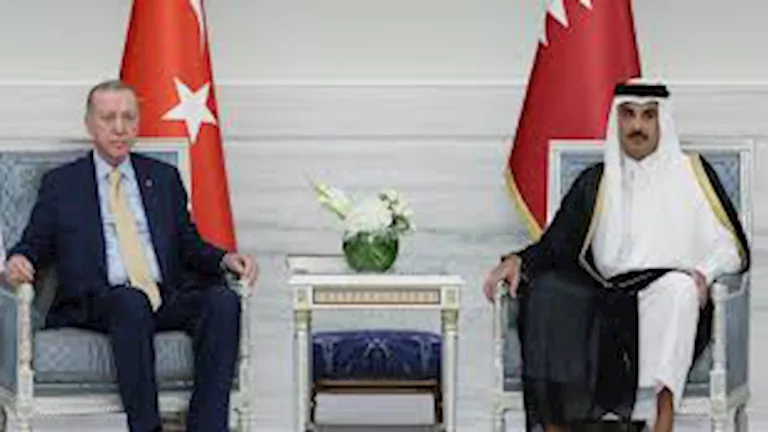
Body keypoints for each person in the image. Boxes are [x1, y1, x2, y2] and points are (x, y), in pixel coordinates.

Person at [483, 82, 750, 432]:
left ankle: (663, 415)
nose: (637, 125)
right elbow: (556, 244)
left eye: (648, 116)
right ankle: (556, 425)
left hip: (664, 292)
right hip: (603, 295)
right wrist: (519, 260)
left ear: (662, 121)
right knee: (548, 291)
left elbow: (731, 247)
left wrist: (706, 271)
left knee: (680, 290)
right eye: (628, 115)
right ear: (617, 120)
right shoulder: (597, 181)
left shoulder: (693, 174)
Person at [4, 79, 258, 432]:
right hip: (99, 300)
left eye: (128, 117)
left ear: (138, 123)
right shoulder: (63, 184)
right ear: (89, 124)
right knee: (130, 301)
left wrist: (224, 259)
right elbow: (34, 242)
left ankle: (207, 426)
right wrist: (19, 260)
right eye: (108, 118)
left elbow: (188, 243)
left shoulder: (163, 177)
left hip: (162, 296)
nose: (119, 128)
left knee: (223, 301)